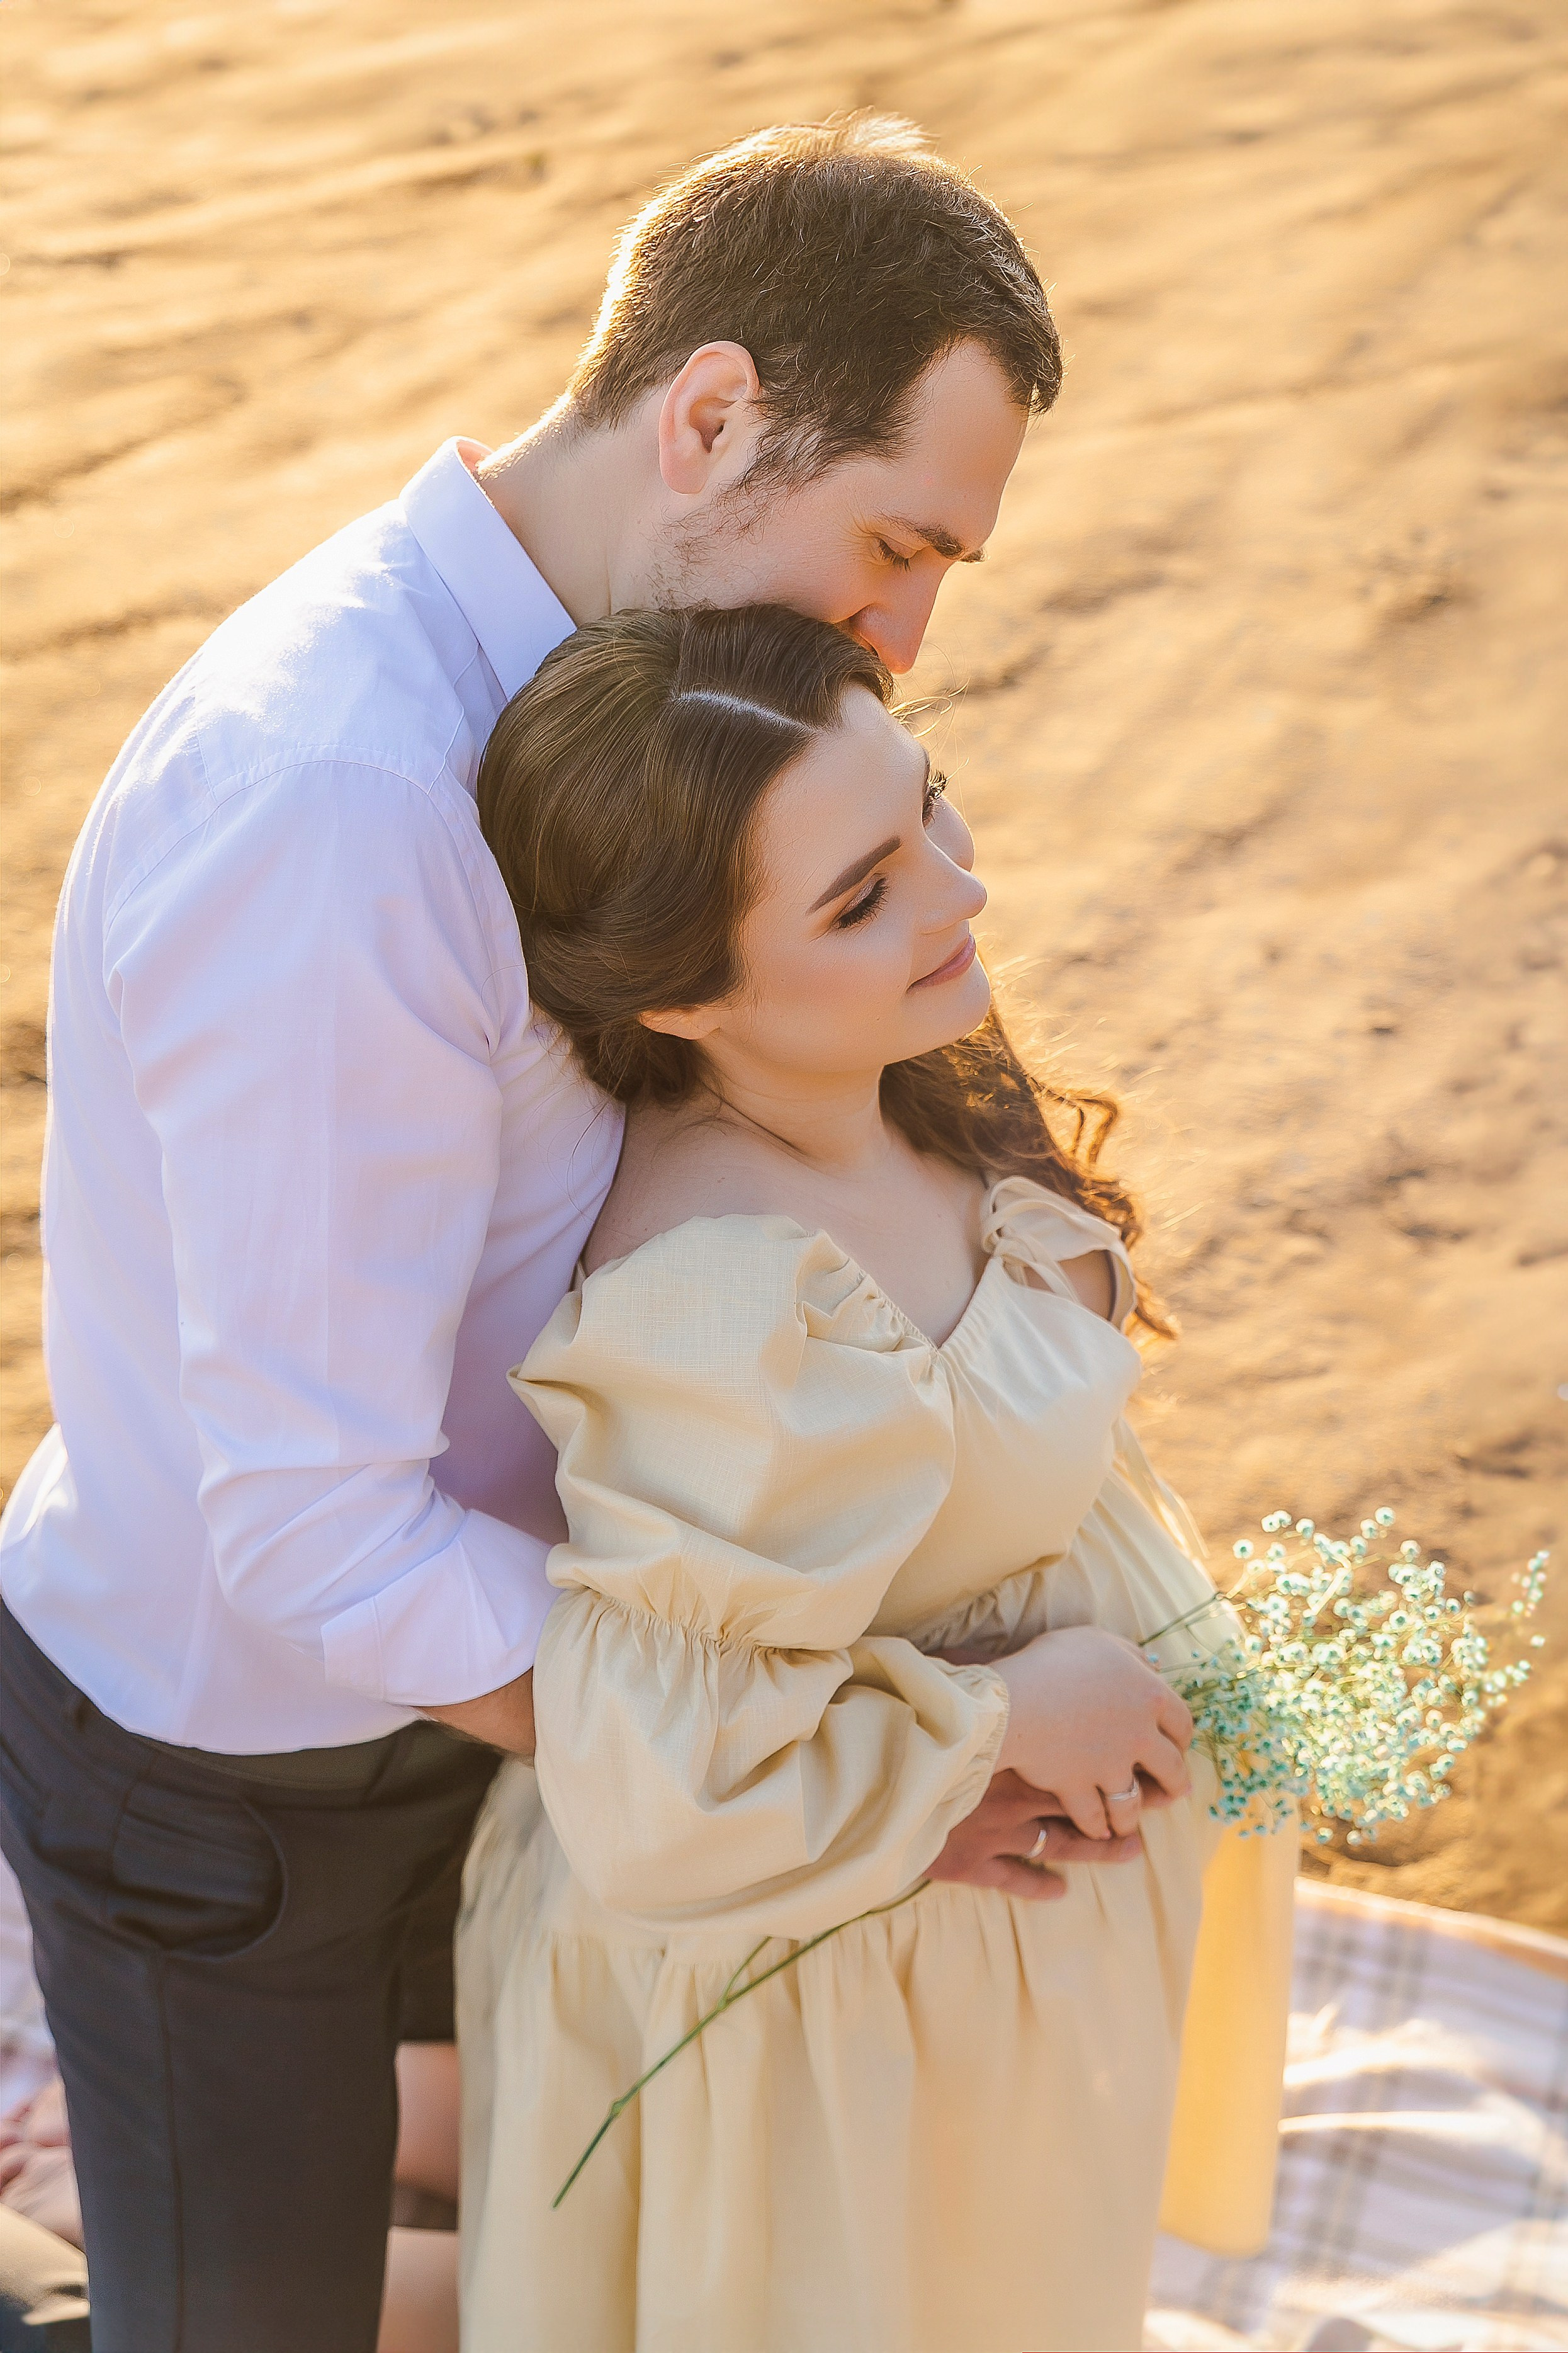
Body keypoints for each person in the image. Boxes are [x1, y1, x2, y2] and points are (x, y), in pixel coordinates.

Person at [0, 111, 1120, 2352]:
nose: (905, 635)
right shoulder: (338, 804)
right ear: (706, 417)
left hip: (515, 1699)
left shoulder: (635, 689)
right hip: (245, 1783)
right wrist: (862, 1774)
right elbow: (315, 1533)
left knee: (555, 2230)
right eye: (894, 544)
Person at [456, 603, 1297, 2353]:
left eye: (928, 807)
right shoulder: (724, 1308)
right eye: (862, 896)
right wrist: (998, 1723)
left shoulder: (894, 1079)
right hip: (830, 2027)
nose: (958, 892)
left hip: (969, 1988)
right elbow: (662, 1781)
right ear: (679, 995)